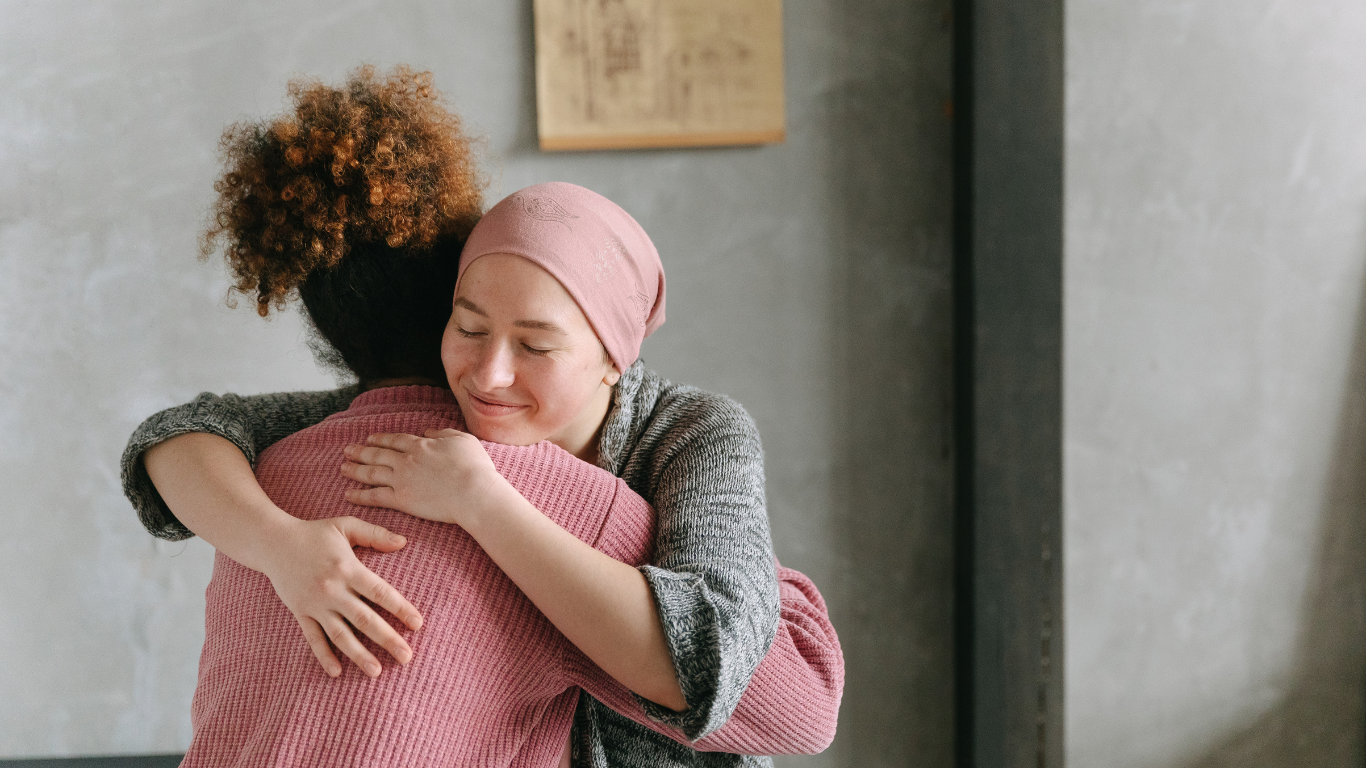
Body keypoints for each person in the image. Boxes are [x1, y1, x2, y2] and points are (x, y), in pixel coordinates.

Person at [122, 66, 841, 767]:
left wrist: (485, 502)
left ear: (613, 358)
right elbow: (183, 433)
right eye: (468, 329)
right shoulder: (408, 431)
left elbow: (757, 676)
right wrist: (283, 546)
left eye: (535, 344)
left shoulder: (690, 434)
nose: (490, 374)